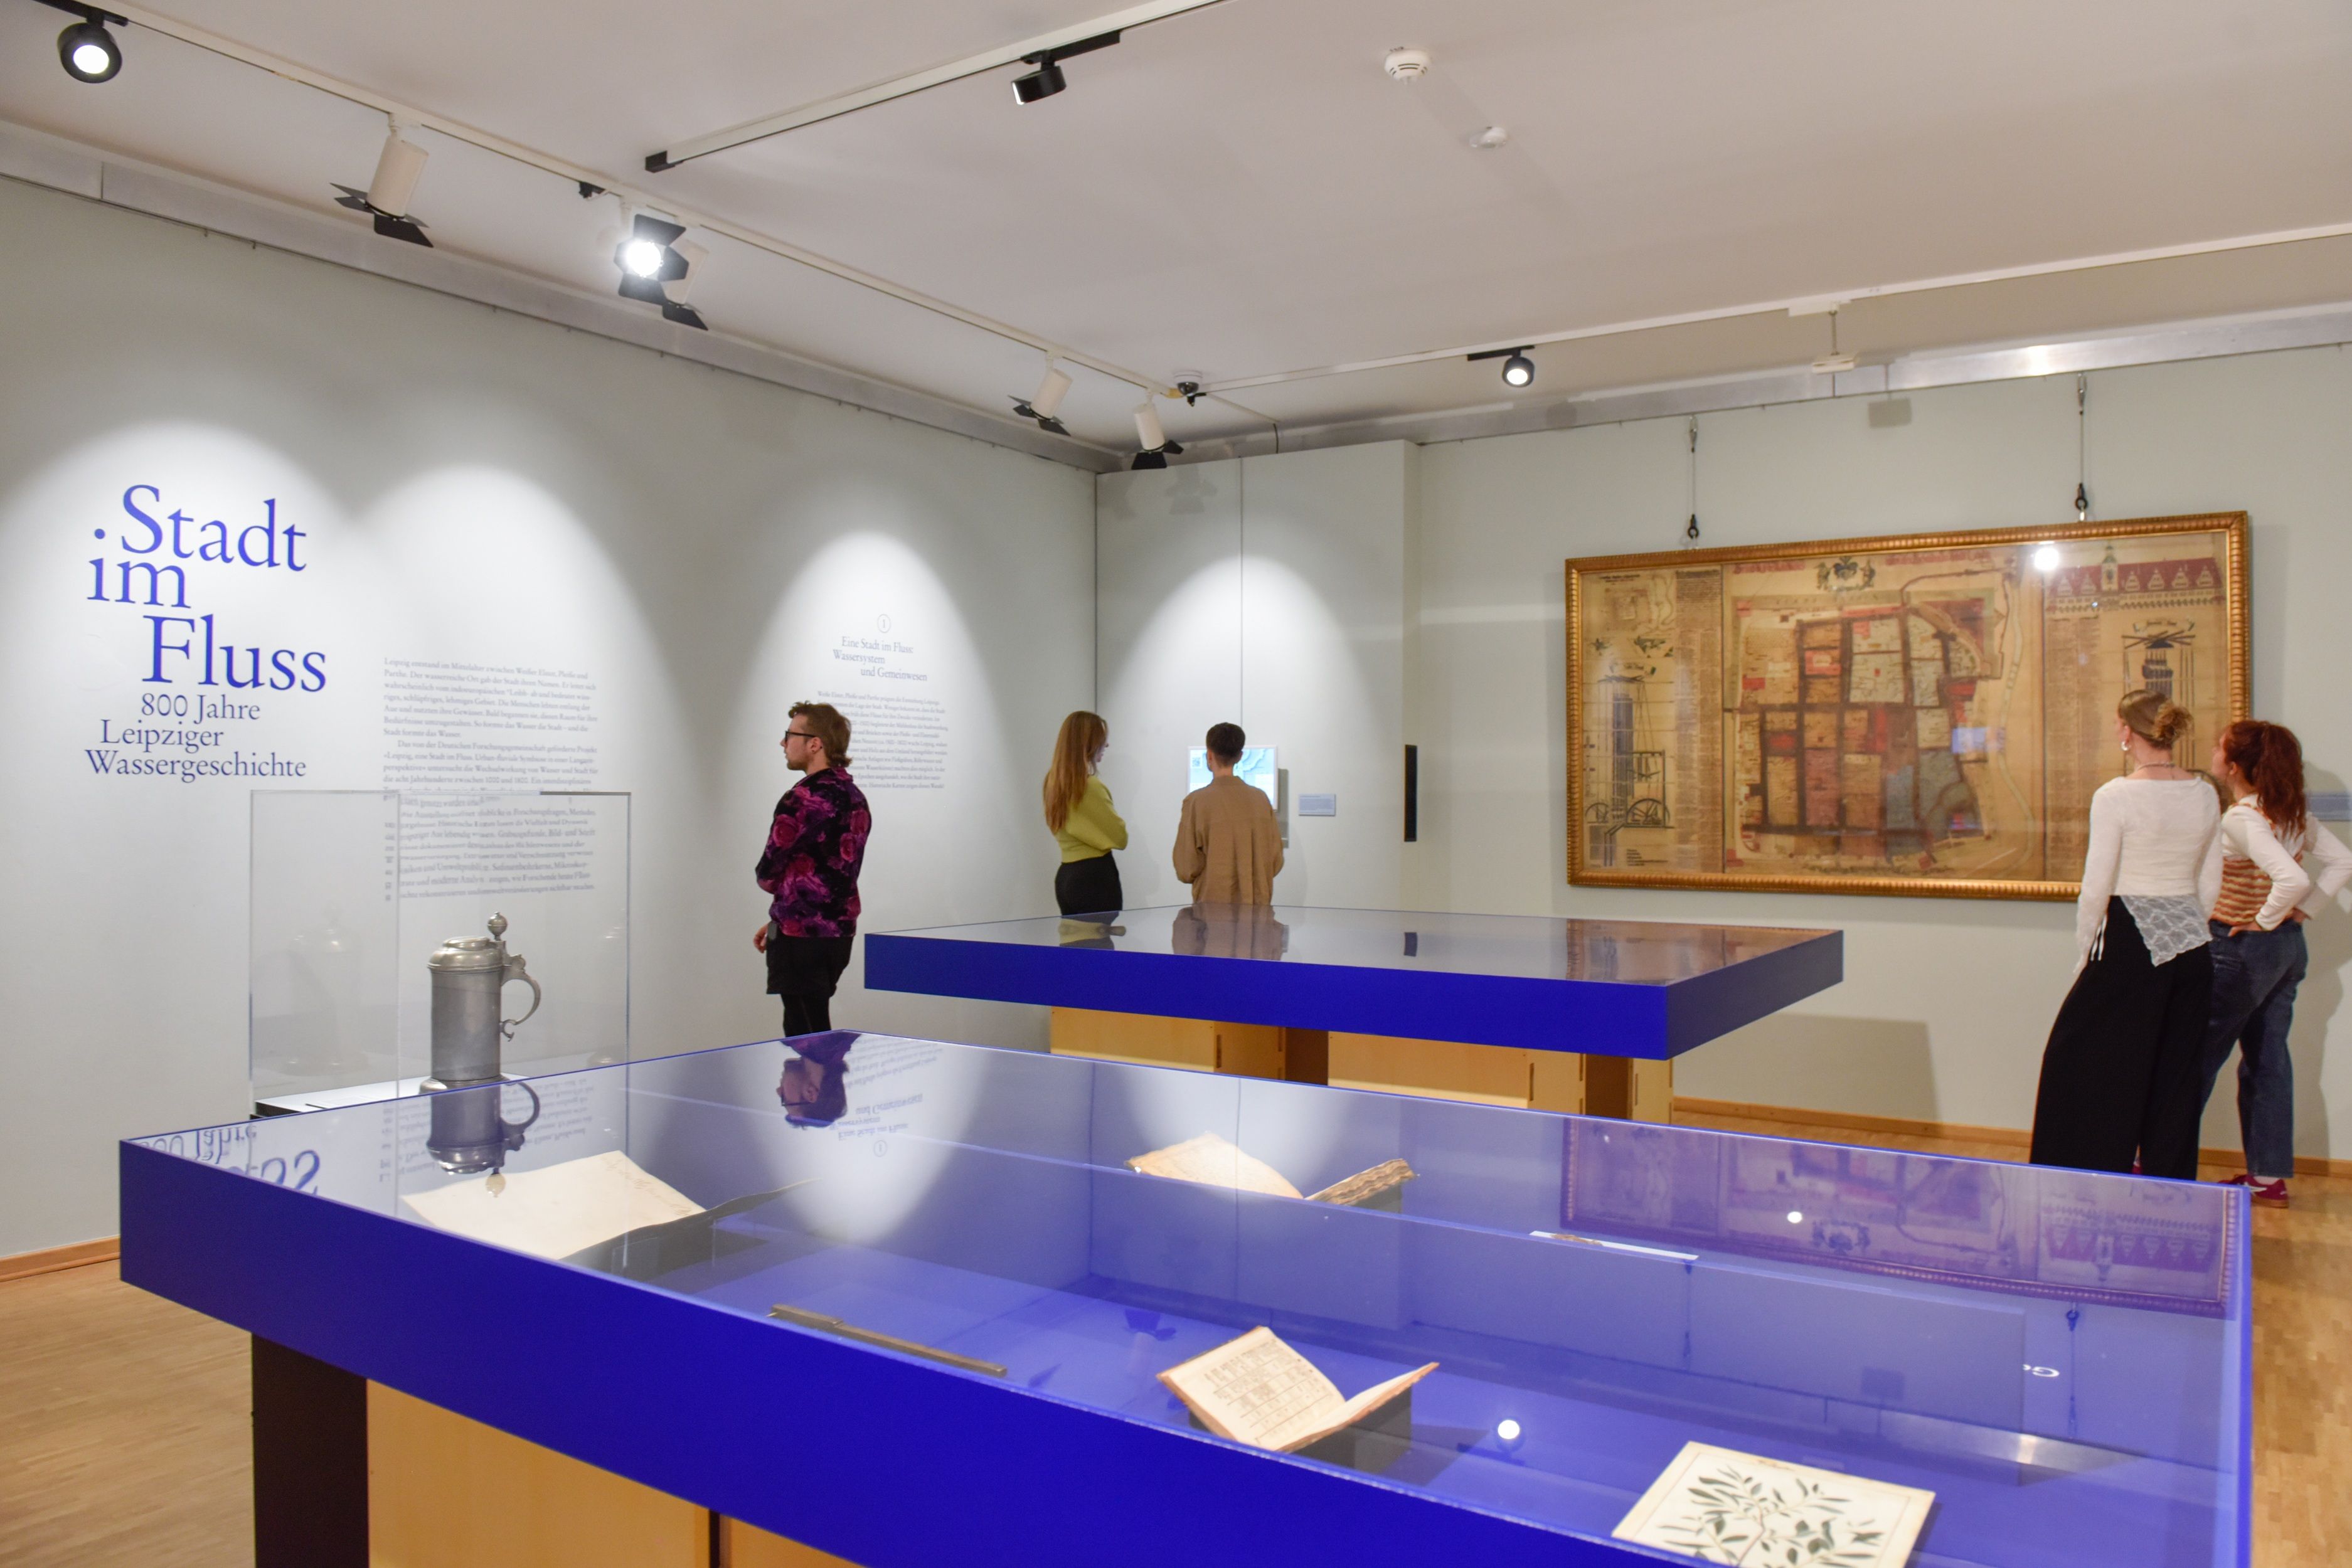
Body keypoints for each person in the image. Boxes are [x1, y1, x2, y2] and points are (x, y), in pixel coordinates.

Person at [2029, 689, 2220, 1179]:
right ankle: (2168, 1188)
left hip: (2128, 941)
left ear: (2124, 731)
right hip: (2191, 942)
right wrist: (2187, 927)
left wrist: (2085, 952)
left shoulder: (2115, 795)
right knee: (2175, 1076)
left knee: (2086, 1064)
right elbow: (2209, 881)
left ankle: (2079, 1180)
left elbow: (2096, 885)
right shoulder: (2203, 792)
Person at [2191, 720, 2352, 1206]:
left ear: (2233, 766)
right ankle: (2266, 1177)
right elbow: (2342, 862)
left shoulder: (2241, 818)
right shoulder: (2288, 811)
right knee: (2267, 1061)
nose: (2213, 754)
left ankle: (2160, 1160)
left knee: (2195, 1056)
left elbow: (2291, 879)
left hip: (2241, 951)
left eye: (2219, 748)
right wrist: (2300, 914)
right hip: (2287, 950)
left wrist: (2263, 919)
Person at [753, 701, 871, 1038]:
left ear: (815, 744)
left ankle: (819, 1078)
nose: (783, 743)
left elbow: (769, 870)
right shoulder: (855, 797)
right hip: (837, 936)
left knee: (805, 1036)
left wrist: (784, 910)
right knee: (816, 1027)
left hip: (799, 937)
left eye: (790, 735)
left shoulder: (802, 798)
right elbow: (836, 872)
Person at [1173, 721, 1282, 904]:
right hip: (1257, 909)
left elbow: (1186, 868)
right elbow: (1275, 861)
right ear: (1240, 756)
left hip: (1212, 910)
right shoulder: (1261, 799)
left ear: (1209, 755)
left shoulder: (1196, 802)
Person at [1043, 710, 1127, 917]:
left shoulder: (1053, 783)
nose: (1106, 745)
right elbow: (1120, 837)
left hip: (1066, 875)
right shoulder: (1089, 787)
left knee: (1075, 937)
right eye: (1101, 739)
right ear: (1088, 743)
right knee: (1099, 937)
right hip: (1093, 876)